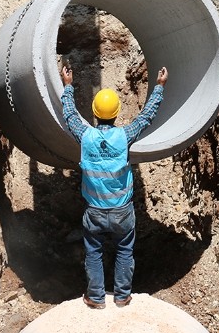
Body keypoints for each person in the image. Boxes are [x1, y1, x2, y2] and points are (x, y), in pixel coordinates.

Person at [59, 63, 169, 310]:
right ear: (117, 113)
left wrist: (68, 86)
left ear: (94, 113)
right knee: (123, 251)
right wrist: (160, 87)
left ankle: (96, 297)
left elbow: (69, 115)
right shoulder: (125, 135)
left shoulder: (84, 135)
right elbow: (147, 116)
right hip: (122, 211)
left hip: (95, 211)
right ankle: (122, 296)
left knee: (94, 253)